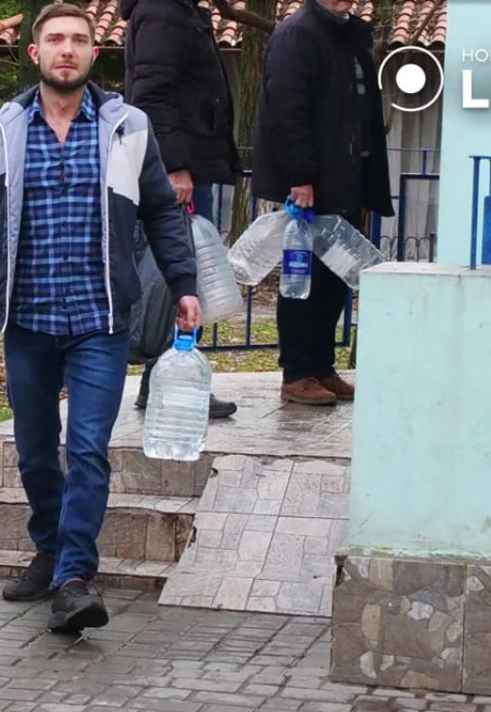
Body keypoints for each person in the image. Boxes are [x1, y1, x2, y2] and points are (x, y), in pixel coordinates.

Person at [0, 3, 200, 634]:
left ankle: (74, 578)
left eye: (78, 40)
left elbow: (161, 211)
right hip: (26, 318)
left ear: (93, 53)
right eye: (55, 39)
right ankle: (50, 549)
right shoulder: (2, 129)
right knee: (35, 452)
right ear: (35, 53)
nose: (66, 49)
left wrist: (184, 284)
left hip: (99, 318)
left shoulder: (126, 126)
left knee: (86, 448)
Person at [251, 0, 393, 405]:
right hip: (316, 184)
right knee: (304, 281)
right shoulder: (297, 34)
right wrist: (301, 176)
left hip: (348, 179)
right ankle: (296, 373)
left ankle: (322, 366)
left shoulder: (351, 36)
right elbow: (287, 111)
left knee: (335, 281)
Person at [121, 0, 241, 419]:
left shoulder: (179, 8)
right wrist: (174, 166)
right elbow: (152, 95)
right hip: (177, 169)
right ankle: (170, 384)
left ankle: (166, 381)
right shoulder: (163, 10)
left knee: (183, 274)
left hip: (188, 161)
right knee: (176, 273)